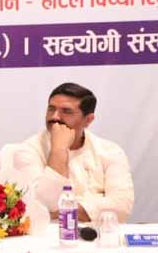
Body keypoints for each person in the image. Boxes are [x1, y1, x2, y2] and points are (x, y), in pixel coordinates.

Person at [13, 82, 134, 222]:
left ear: (88, 120)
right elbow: (42, 206)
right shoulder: (28, 150)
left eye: (66, 111)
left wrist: (61, 210)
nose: (55, 117)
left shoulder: (110, 151)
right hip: (49, 234)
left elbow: (122, 206)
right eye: (51, 109)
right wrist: (58, 149)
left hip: (99, 232)